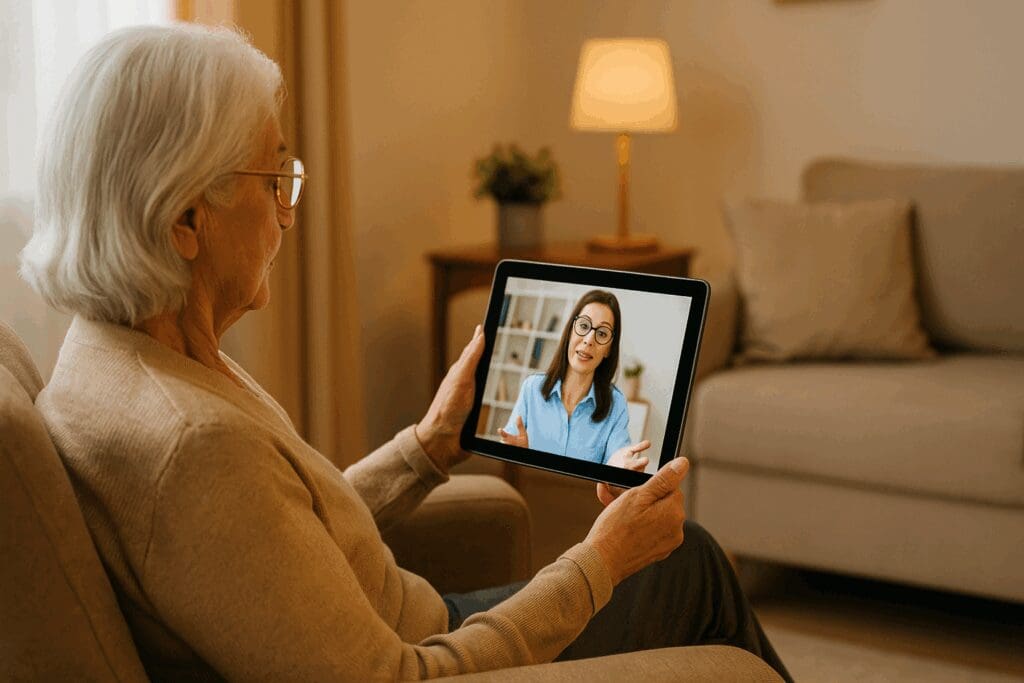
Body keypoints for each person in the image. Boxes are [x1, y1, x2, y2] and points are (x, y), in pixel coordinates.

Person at [20, 24, 791, 682]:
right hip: (429, 657)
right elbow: (397, 675)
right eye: (272, 180)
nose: (288, 216)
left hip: (415, 621)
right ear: (187, 217)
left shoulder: (121, 355)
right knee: (691, 569)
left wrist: (427, 446)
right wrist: (600, 562)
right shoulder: (192, 446)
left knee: (688, 555)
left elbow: (281, 544)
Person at [498, 290, 651, 469]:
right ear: (570, 331)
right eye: (584, 326)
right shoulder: (532, 388)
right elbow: (505, 458)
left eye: (602, 334)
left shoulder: (616, 404)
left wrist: (623, 469)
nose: (588, 340)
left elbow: (617, 464)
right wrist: (517, 455)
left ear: (609, 349)